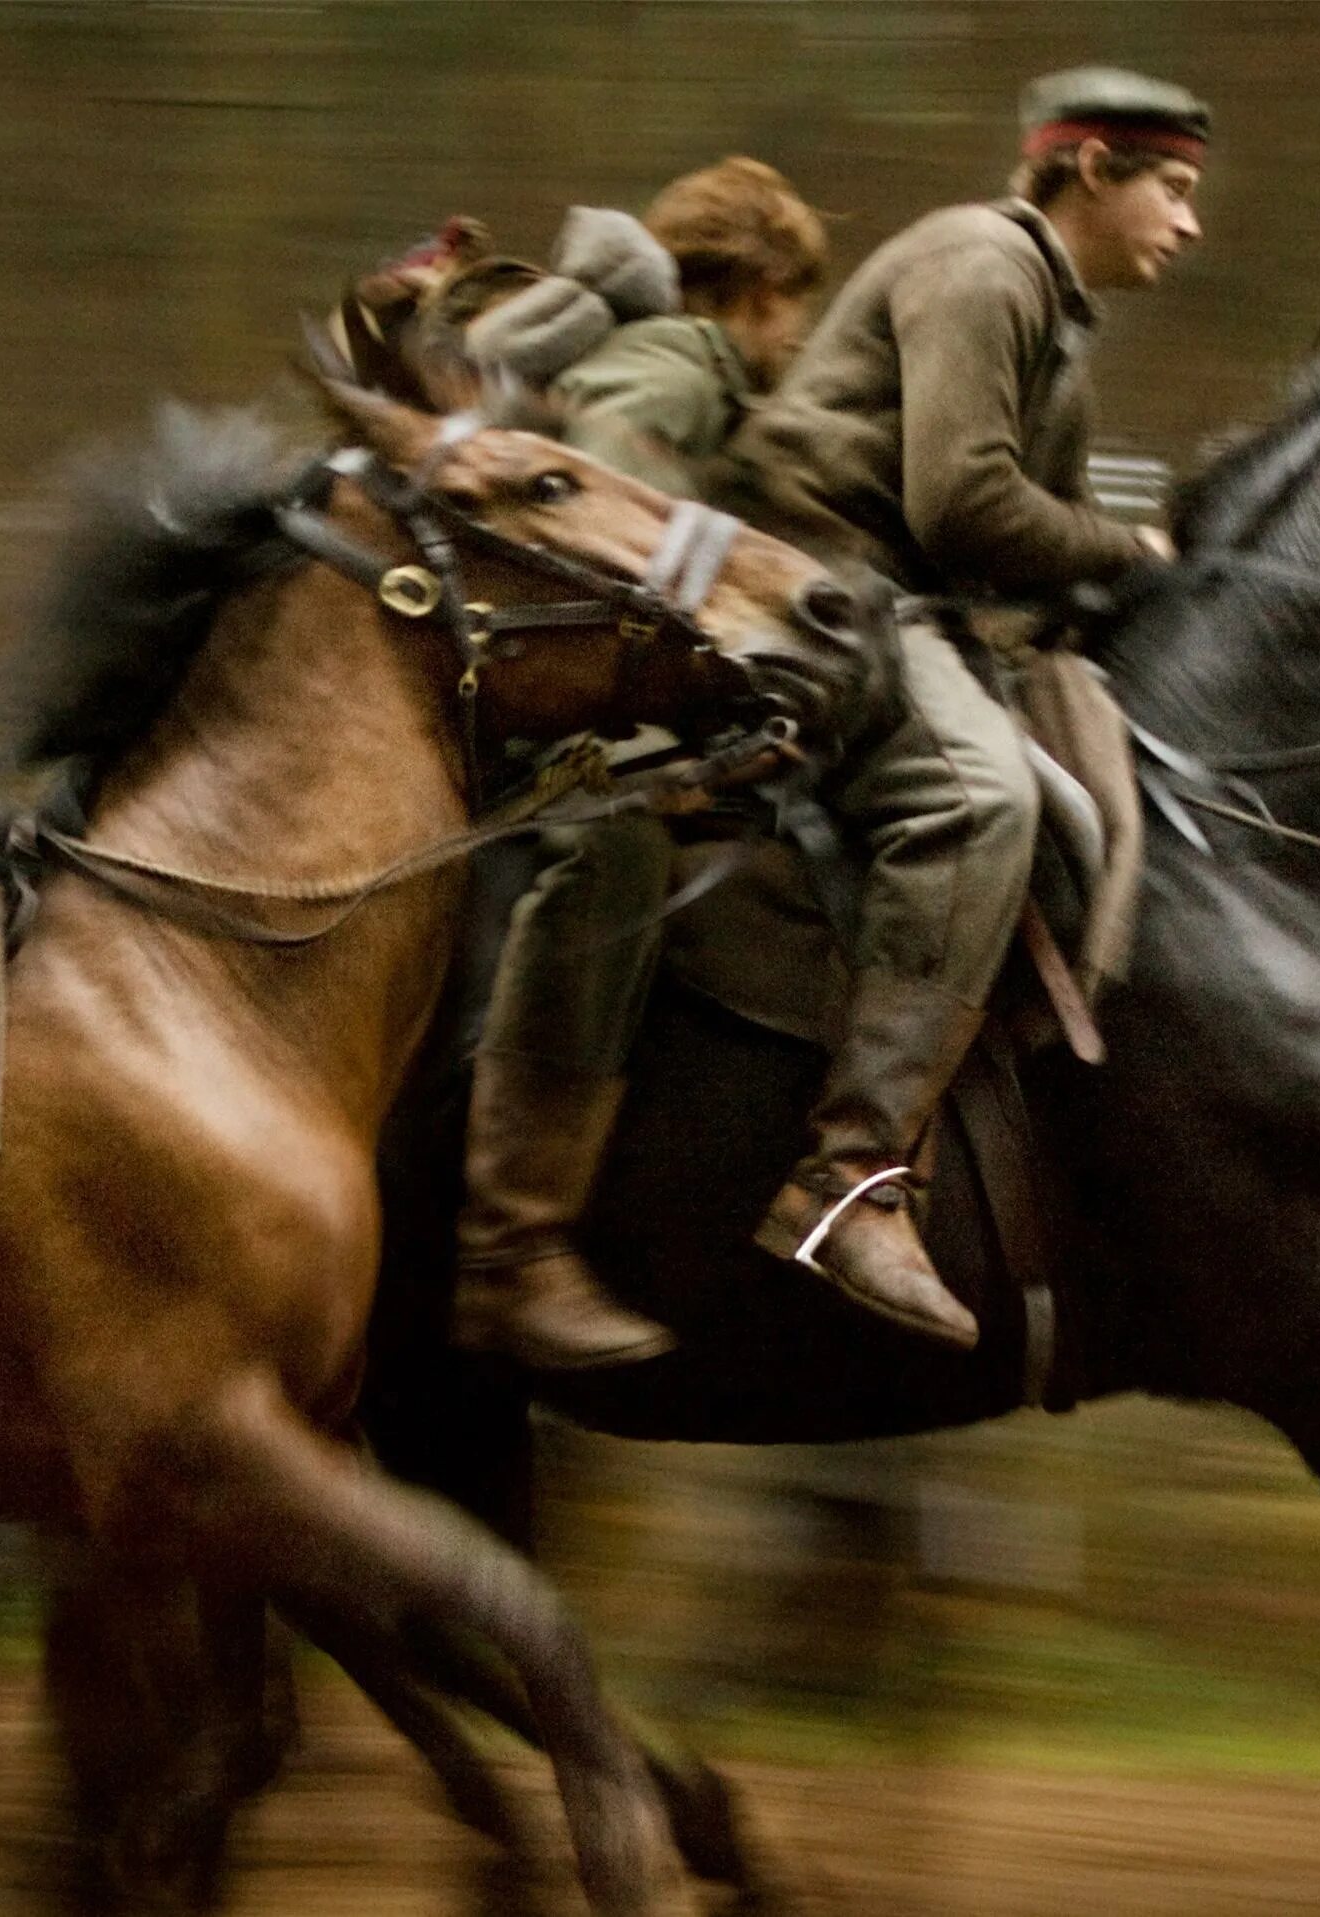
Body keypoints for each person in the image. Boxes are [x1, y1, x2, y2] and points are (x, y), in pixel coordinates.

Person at [713, 65, 1201, 1345]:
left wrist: (1135, 586)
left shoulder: (1060, 325)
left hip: (899, 601)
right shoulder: (984, 266)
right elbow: (963, 506)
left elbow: (1031, 554)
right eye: (1174, 188)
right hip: (816, 581)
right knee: (980, 795)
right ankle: (848, 1179)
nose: (1190, 223)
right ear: (1090, 167)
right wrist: (1132, 554)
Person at [446, 160, 835, 1368]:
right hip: (519, 689)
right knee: (611, 857)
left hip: (554, 677)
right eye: (800, 302)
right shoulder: (674, 368)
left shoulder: (690, 375)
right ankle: (512, 1248)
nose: (804, 332)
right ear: (763, 290)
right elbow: (615, 541)